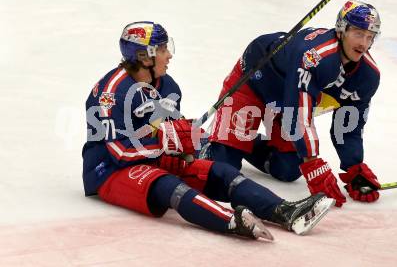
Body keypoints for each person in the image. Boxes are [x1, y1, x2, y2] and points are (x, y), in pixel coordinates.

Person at [82, 21, 334, 241]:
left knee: (222, 171)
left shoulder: (168, 85)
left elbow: (171, 131)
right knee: (168, 185)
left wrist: (188, 143)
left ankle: (285, 211)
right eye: (161, 49)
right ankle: (232, 221)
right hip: (109, 171)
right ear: (144, 56)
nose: (168, 54)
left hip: (152, 157)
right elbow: (118, 150)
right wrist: (165, 141)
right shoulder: (112, 94)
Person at [204, 0, 382, 207]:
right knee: (223, 166)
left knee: (287, 168)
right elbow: (297, 114)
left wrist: (353, 166)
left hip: (287, 98)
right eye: (358, 34)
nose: (364, 43)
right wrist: (313, 163)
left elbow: (349, 124)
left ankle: (239, 140)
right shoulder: (314, 57)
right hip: (255, 80)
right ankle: (209, 143)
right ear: (341, 30)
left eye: (370, 37)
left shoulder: (368, 76)